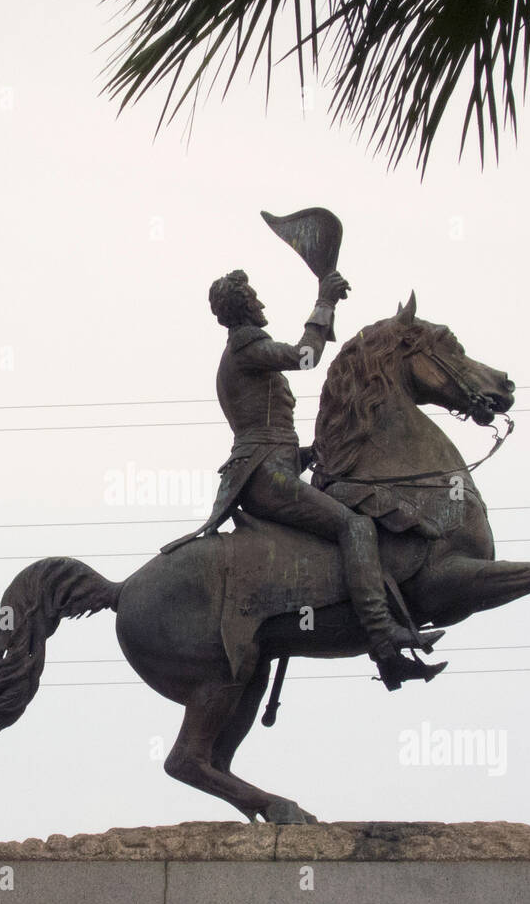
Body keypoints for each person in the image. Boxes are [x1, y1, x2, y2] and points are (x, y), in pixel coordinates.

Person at [162, 268, 445, 689]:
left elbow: (269, 430)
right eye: (254, 295)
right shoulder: (247, 347)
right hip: (263, 476)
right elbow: (306, 357)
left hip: (273, 466)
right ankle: (383, 636)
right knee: (355, 525)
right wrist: (324, 301)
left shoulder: (241, 353)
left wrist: (314, 453)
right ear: (244, 306)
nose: (260, 302)